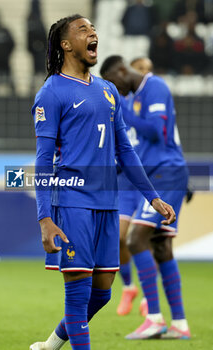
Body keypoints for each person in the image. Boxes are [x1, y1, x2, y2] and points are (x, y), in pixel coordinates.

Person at [30, 14, 176, 350]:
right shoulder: (51, 92)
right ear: (65, 45)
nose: (92, 33)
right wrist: (44, 217)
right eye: (83, 30)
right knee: (79, 295)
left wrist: (152, 197)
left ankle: (51, 344)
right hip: (71, 202)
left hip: (107, 202)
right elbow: (43, 160)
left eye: (93, 29)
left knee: (103, 291)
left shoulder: (109, 91)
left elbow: (125, 150)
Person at [100, 55, 191, 340]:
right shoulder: (135, 96)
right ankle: (180, 323)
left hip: (166, 173)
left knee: (135, 239)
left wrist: (121, 111)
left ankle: (153, 317)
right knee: (161, 247)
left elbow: (156, 132)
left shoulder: (155, 88)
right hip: (154, 176)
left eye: (114, 83)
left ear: (121, 71)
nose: (116, 90)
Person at [116, 56, 154, 317]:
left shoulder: (154, 102)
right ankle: (129, 287)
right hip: (122, 182)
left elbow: (164, 136)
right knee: (119, 238)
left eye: (149, 71)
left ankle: (150, 298)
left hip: (148, 180)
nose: (145, 75)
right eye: (141, 70)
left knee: (141, 239)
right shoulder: (116, 101)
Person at [27, 0, 47, 93]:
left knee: (40, 71)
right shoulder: (33, 19)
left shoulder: (32, 18)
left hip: (39, 49)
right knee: (38, 71)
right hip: (37, 50)